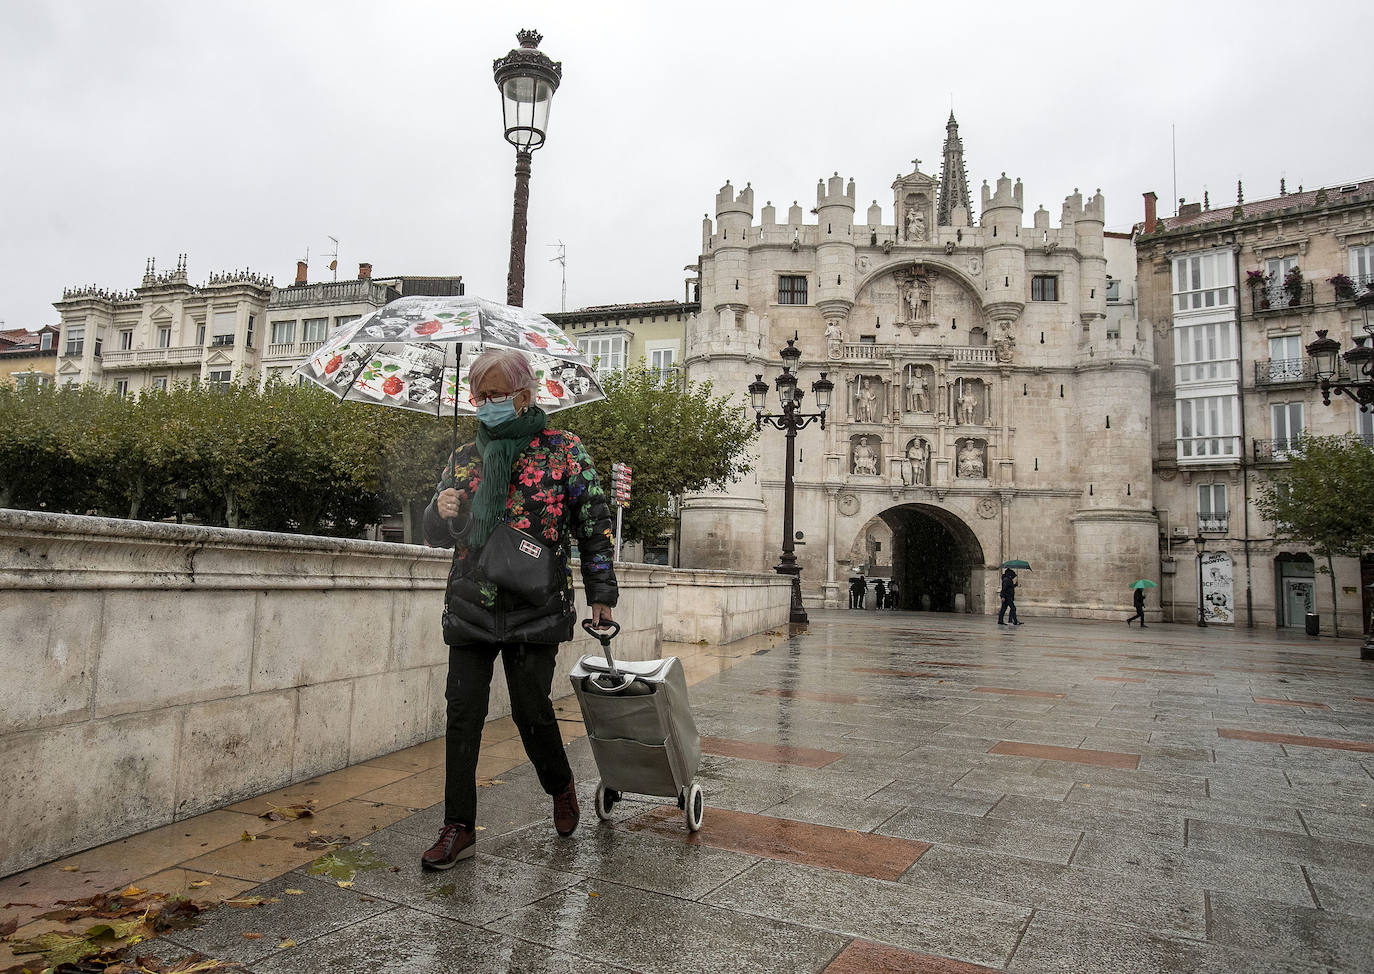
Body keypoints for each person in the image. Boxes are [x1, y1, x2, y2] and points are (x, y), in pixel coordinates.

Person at [420, 348, 618, 870]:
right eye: (479, 396)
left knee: (532, 712)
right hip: (470, 602)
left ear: (524, 396)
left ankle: (560, 784)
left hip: (535, 604)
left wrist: (601, 594)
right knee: (463, 716)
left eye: (495, 396)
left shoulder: (564, 450)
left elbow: (594, 526)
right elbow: (440, 534)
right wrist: (439, 510)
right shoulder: (465, 456)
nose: (485, 405)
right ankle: (458, 827)